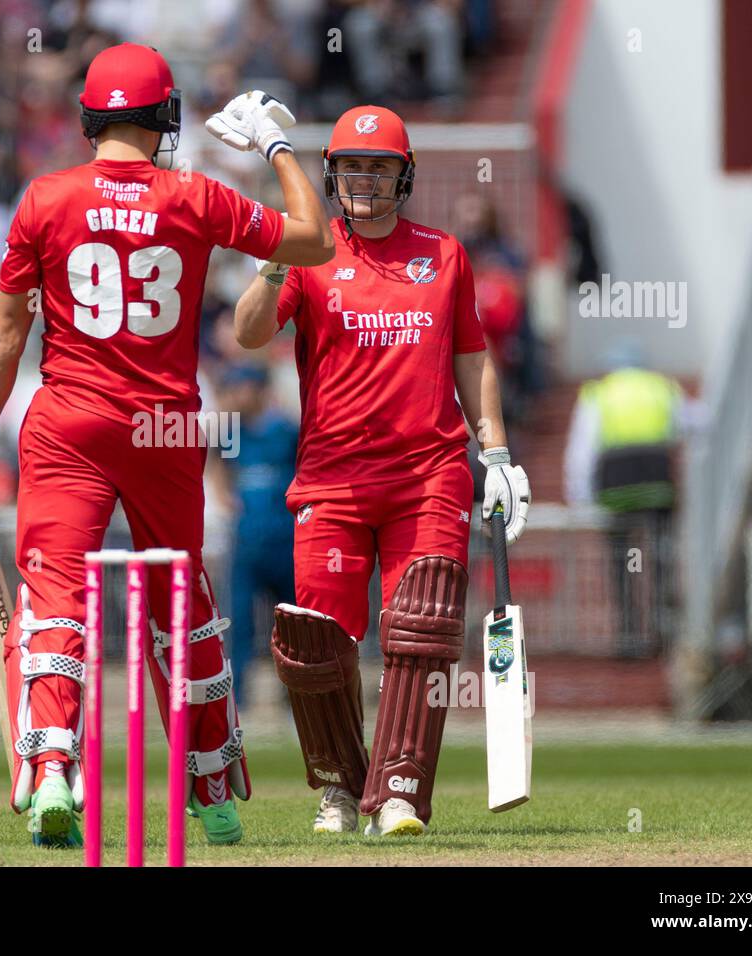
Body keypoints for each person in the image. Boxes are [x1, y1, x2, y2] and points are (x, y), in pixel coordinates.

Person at [0, 43, 333, 849]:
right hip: (166, 427)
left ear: (90, 119)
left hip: (69, 422)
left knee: (54, 597)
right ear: (160, 120)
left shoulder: (44, 197)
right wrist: (278, 148)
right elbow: (314, 241)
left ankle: (50, 774)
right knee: (180, 605)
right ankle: (212, 790)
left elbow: (9, 334)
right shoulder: (194, 195)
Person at [232, 105, 530, 837]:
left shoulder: (444, 253)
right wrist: (278, 247)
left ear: (405, 177)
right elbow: (247, 333)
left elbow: (471, 357)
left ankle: (398, 791)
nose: (366, 179)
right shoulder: (308, 251)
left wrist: (494, 453)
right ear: (332, 176)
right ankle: (337, 787)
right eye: (353, 166)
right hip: (332, 479)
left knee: (420, 629)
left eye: (380, 167)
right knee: (316, 642)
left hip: (429, 473)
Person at [564, 342, 685, 654]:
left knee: (621, 562)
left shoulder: (599, 392)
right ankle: (662, 629)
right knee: (660, 558)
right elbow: (687, 427)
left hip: (616, 487)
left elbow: (582, 450)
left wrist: (580, 497)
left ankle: (629, 635)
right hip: (657, 484)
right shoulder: (662, 387)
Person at [214, 362, 298, 708]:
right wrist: (224, 497)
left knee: (295, 627)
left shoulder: (287, 432)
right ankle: (238, 701)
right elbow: (217, 465)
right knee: (241, 626)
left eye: (244, 387)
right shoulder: (231, 433)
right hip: (247, 545)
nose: (238, 395)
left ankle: (296, 698)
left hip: (286, 543)